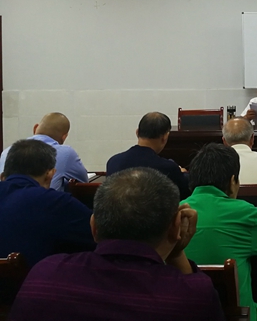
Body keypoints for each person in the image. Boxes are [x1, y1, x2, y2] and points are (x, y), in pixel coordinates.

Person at [10, 167, 225, 321]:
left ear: (93, 226)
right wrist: (177, 253)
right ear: (175, 227)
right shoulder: (192, 296)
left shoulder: (45, 274)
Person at [183, 143, 257, 321]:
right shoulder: (246, 212)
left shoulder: (176, 212)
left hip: (185, 312)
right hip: (237, 314)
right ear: (232, 182)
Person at [0, 139, 94, 267]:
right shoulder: (57, 203)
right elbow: (100, 234)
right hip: (35, 278)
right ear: (50, 175)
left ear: (2, 176)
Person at [106, 112, 190, 199]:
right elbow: (184, 194)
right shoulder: (169, 168)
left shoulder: (113, 162)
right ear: (165, 137)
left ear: (137, 132)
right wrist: (182, 173)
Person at [0, 112, 88, 191]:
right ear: (64, 137)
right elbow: (84, 181)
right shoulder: (66, 153)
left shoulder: (6, 152)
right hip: (45, 202)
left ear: (35, 128)